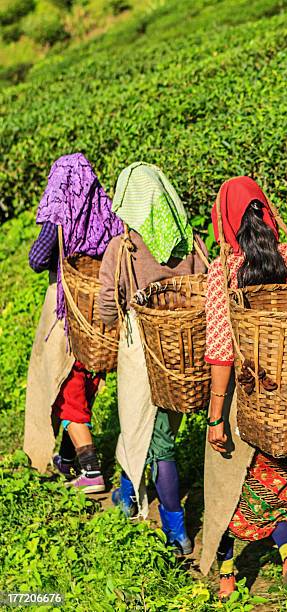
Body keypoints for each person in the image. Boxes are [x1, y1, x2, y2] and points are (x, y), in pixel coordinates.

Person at [201, 176, 287, 600]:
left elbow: (221, 350)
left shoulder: (223, 271)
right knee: (281, 479)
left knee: (229, 484)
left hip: (244, 398)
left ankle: (227, 572)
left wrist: (215, 418)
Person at [97, 162, 206, 554]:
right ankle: (128, 494)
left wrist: (107, 319)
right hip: (182, 351)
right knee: (158, 426)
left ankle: (176, 528)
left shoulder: (122, 247)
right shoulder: (190, 242)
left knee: (150, 433)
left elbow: (108, 304)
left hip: (141, 350)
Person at [23, 153, 123, 493]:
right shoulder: (107, 210)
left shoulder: (59, 216)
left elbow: (38, 260)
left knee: (64, 381)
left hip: (69, 306)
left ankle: (91, 469)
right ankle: (67, 460)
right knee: (86, 373)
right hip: (101, 307)